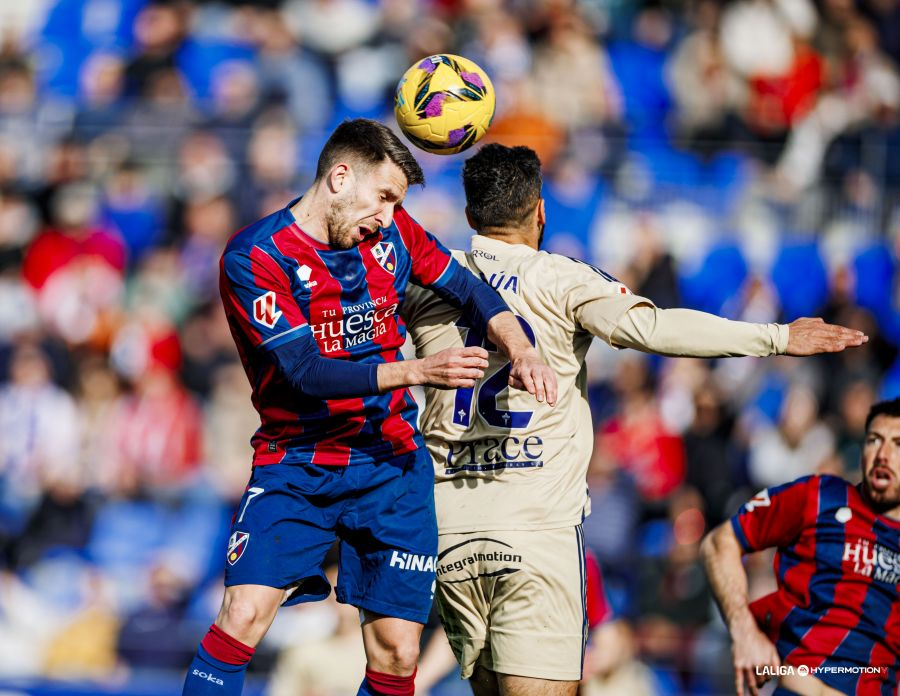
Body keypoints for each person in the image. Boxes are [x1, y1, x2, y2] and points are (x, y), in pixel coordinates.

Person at [401, 143, 867, 696]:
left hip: (449, 534)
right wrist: (777, 337)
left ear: (471, 216)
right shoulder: (560, 278)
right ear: (541, 211)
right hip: (534, 531)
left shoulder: (427, 279)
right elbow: (654, 329)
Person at [181, 120, 556, 696]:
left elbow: (468, 288)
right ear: (339, 178)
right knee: (243, 614)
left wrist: (522, 346)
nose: (387, 215)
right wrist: (418, 371)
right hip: (298, 462)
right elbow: (306, 372)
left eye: (396, 203)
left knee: (398, 651)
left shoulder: (395, 234)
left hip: (391, 463)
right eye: (382, 198)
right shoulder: (254, 256)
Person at [701, 397, 900, 696]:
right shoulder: (819, 496)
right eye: (873, 440)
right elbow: (719, 543)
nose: (882, 454)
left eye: (898, 444)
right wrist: (745, 633)